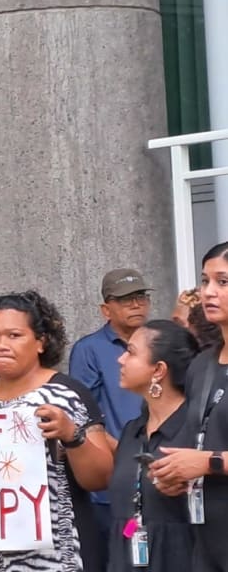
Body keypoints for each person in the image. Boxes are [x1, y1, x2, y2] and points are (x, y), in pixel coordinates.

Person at [0, 291, 114, 572]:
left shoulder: (66, 394)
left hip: (55, 558)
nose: (0, 345)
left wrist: (72, 435)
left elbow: (101, 477)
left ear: (41, 342)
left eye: (14, 335)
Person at [149, 242, 228, 571]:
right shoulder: (202, 365)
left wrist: (208, 463)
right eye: (204, 280)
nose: (209, 292)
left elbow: (205, 457)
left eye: (222, 282)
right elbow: (192, 440)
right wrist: (170, 475)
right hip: (207, 541)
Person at [69, 267, 151, 561]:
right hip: (110, 487)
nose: (136, 304)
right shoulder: (88, 350)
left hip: (158, 480)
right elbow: (86, 417)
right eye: (125, 299)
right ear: (106, 309)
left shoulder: (158, 344)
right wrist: (126, 458)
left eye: (140, 296)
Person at [108, 320, 196, 572]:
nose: (121, 360)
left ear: (158, 370)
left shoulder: (197, 429)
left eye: (132, 352)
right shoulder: (132, 431)